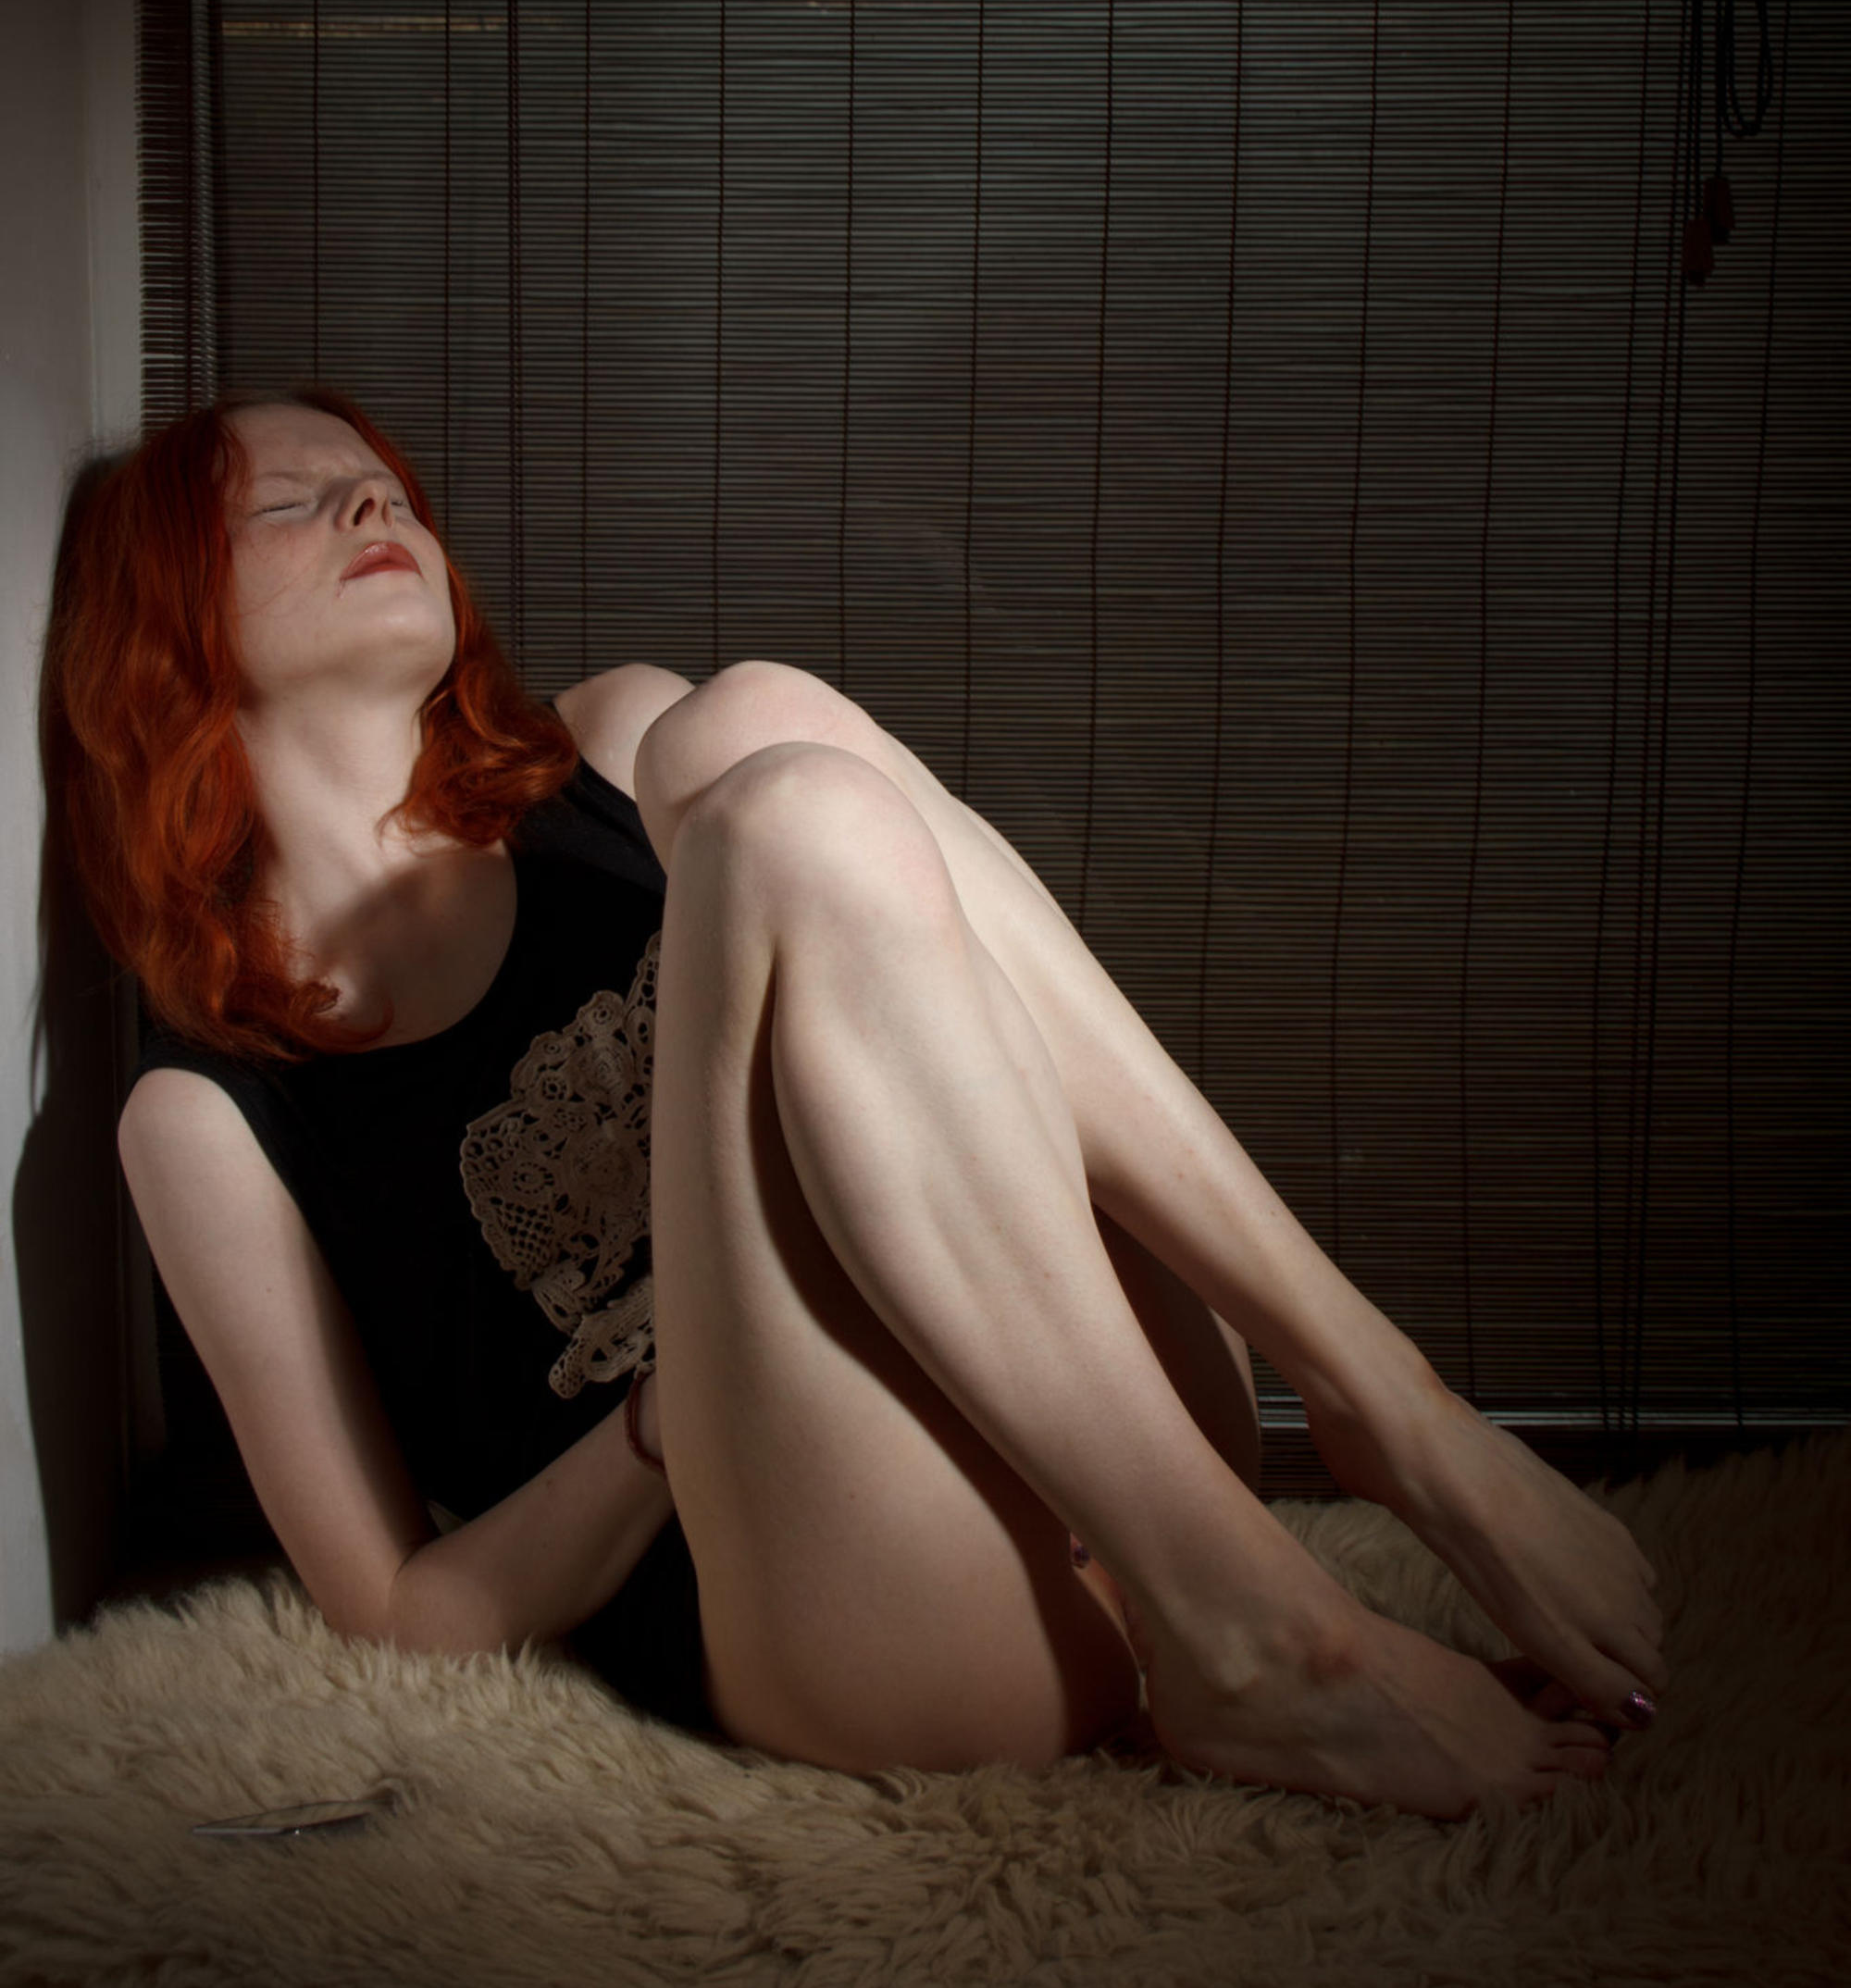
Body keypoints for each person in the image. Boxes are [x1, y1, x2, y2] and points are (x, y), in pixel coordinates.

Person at [47, 385, 1665, 1817]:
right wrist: (657, 1427)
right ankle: (1263, 1632)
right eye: (289, 500)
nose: (369, 506)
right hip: (877, 1606)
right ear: (163, 632)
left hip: (1134, 1423)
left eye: (386, 488)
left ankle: (1380, 1402)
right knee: (783, 812)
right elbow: (405, 1612)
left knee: (752, 728)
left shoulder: (614, 746)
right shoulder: (209, 1118)